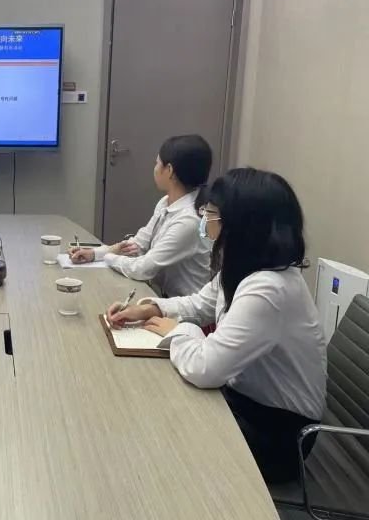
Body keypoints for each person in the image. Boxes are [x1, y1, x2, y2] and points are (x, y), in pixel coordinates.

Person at [107, 168, 326, 483]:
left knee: (159, 437)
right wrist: (150, 308)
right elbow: (200, 304)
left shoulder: (269, 289)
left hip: (278, 435)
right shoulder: (247, 268)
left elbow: (206, 368)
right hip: (245, 402)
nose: (203, 220)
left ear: (240, 225)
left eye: (209, 214)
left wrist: (177, 331)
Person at [70, 134, 213, 297]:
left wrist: (109, 257)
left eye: (157, 163)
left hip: (183, 306)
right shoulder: (166, 202)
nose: (154, 168)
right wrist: (95, 254)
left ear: (170, 171)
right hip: (162, 296)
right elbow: (138, 245)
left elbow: (144, 269)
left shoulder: (189, 221)